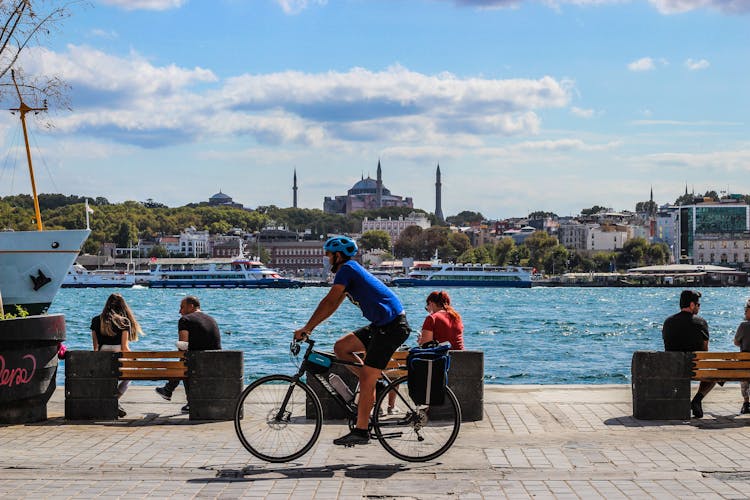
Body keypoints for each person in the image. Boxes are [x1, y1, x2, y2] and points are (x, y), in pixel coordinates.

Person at [294, 236, 410, 446]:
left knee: (366, 377)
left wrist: (307, 328)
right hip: (382, 325)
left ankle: (362, 430)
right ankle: (376, 383)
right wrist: (310, 327)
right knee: (342, 347)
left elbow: (329, 300)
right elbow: (333, 304)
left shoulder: (347, 269)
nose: (328, 259)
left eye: (329, 255)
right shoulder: (348, 270)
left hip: (392, 327)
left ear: (338, 256)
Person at [155, 296, 221, 413]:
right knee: (188, 359)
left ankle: (179, 395)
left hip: (196, 363)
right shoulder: (211, 319)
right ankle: (169, 389)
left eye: (182, 307)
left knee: (185, 360)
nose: (179, 311)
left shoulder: (185, 320)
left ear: (191, 306)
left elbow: (183, 345)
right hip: (216, 362)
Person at [662, 289, 714, 418]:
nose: (699, 307)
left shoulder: (668, 322)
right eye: (698, 304)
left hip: (672, 368)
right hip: (694, 369)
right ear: (692, 305)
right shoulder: (701, 322)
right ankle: (697, 399)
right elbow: (705, 349)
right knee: (715, 371)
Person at [90, 293, 143, 418]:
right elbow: (124, 348)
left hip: (102, 358)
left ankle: (111, 400)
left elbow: (95, 348)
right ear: (122, 306)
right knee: (129, 376)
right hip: (119, 357)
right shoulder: (124, 321)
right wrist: (136, 360)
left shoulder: (96, 320)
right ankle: (114, 399)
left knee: (107, 376)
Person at [734, 299, 750, 415]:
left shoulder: (743, 326)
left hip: (745, 365)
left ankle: (746, 402)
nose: (744, 312)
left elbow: (736, 342)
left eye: (746, 310)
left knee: (744, 376)